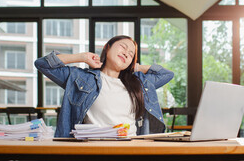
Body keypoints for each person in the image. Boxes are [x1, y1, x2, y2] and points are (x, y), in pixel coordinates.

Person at [34, 35, 174, 137]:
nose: (126, 53)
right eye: (123, 47)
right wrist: (82, 57)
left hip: (130, 147)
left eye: (131, 54)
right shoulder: (81, 78)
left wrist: (135, 67)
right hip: (93, 148)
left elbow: (166, 74)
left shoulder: (138, 82)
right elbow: (42, 64)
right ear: (107, 48)